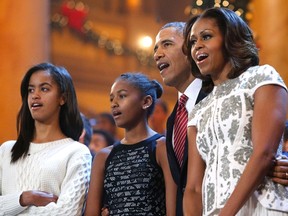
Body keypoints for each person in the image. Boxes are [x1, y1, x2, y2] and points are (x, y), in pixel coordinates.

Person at [183, 7, 288, 216]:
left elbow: (264, 153)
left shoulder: (261, 77)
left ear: (230, 39)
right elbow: (194, 187)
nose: (197, 46)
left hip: (261, 206)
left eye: (206, 36)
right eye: (193, 41)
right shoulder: (198, 111)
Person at [0, 62, 92, 215]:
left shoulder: (76, 152)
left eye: (44, 89)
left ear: (62, 98)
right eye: (30, 90)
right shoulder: (6, 150)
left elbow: (67, 213)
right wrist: (25, 198)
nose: (35, 95)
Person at [85, 72, 176, 215]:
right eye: (111, 99)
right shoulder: (103, 156)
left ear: (146, 101)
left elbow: (173, 210)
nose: (114, 103)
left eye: (122, 96)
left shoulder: (161, 147)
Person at [153, 20, 207, 215]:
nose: (157, 54)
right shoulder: (173, 118)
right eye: (155, 49)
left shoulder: (216, 96)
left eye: (167, 44)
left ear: (190, 48)